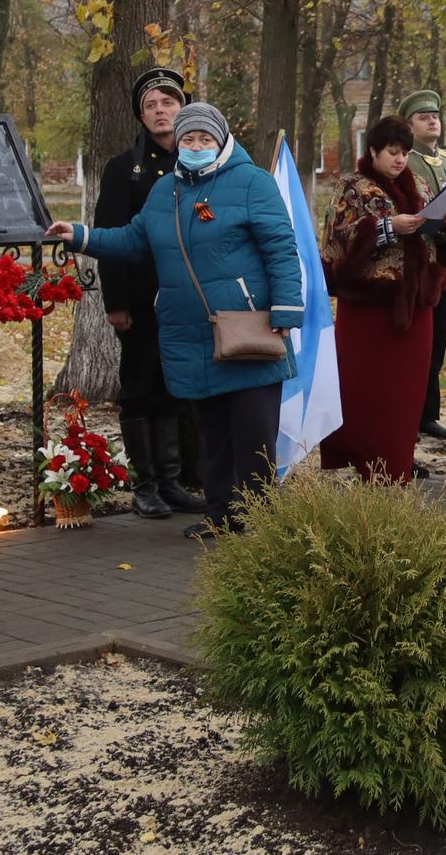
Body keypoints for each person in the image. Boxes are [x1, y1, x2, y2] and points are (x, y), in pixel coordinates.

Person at [54, 102, 301, 533]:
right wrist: (81, 236)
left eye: (205, 138)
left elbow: (280, 246)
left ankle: (260, 525)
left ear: (221, 141)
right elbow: (133, 239)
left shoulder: (251, 182)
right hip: (190, 333)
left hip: (247, 328)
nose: (196, 145)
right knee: (213, 433)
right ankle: (222, 515)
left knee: (253, 435)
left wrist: (286, 307)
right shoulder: (164, 190)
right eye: (189, 138)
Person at [321, 115, 446, 482]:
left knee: (404, 396)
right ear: (373, 150)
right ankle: (365, 461)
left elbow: (439, 250)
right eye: (392, 152)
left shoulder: (417, 182)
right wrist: (387, 228)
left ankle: (397, 463)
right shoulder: (352, 186)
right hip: (370, 311)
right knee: (365, 392)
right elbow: (338, 241)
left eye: (404, 152)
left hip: (415, 309)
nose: (399, 159)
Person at [94, 67, 206, 518]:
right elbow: (110, 235)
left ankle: (173, 481)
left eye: (169, 103)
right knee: (140, 388)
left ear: (184, 109)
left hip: (189, 301)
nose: (161, 112)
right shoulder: (125, 168)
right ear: (141, 118)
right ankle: (146, 485)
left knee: (174, 388)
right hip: (141, 299)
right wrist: (117, 301)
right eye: (151, 106)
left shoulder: (200, 161)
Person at [399, 89, 446, 446]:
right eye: (423, 117)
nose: (432, 120)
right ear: (410, 124)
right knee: (420, 344)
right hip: (420, 260)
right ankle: (414, 413)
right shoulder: (407, 161)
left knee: (438, 345)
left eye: (435, 115)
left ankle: (429, 414)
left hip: (444, 261)